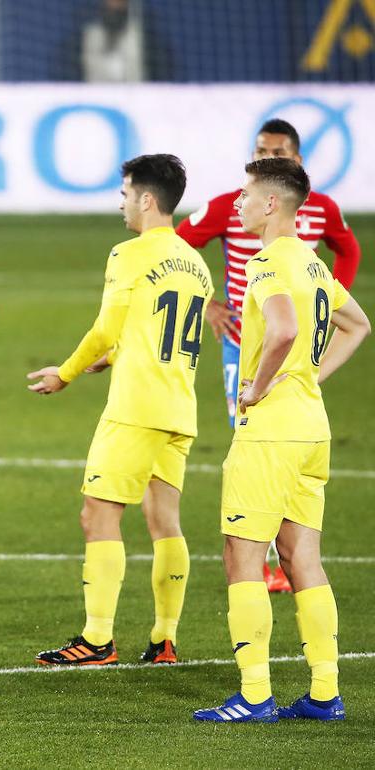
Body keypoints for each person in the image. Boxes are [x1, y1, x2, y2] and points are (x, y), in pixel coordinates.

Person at [194, 158, 369, 723]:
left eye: (245, 195)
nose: (238, 204)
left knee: (241, 555)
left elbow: (285, 327)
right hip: (311, 428)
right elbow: (358, 325)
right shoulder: (314, 264)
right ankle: (324, 694)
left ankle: (254, 696)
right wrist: (309, 377)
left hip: (270, 432)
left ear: (271, 203)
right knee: (302, 558)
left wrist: (259, 386)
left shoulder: (267, 261)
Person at [28, 154, 211, 667]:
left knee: (97, 515)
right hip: (179, 407)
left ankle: (97, 640)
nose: (122, 204)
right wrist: (114, 357)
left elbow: (106, 328)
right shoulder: (196, 264)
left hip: (136, 407)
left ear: (147, 200)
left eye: (126, 194)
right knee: (165, 520)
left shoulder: (129, 254)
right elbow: (160, 332)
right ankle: (164, 639)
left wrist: (65, 373)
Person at [177, 117, 361, 593]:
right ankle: (282, 559)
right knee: (264, 445)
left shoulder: (282, 245)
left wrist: (325, 304)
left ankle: (259, 556)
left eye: (275, 152)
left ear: (294, 160)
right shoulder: (241, 213)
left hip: (280, 354)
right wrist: (208, 303)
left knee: (258, 445)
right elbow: (178, 247)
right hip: (251, 345)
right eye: (261, 150)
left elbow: (346, 254)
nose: (265, 158)